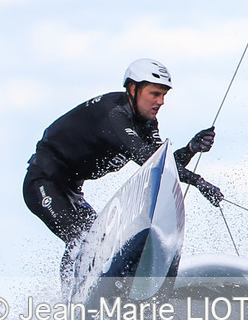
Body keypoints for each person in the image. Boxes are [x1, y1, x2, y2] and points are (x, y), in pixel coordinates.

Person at [23, 58, 224, 254]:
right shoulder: (113, 114)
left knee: (99, 245)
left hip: (72, 191)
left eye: (163, 95)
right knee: (82, 242)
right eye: (154, 94)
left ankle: (81, 285)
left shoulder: (146, 123)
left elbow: (161, 164)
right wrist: (198, 181)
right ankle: (74, 288)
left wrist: (190, 149)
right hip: (43, 181)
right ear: (133, 89)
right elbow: (147, 159)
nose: (160, 102)